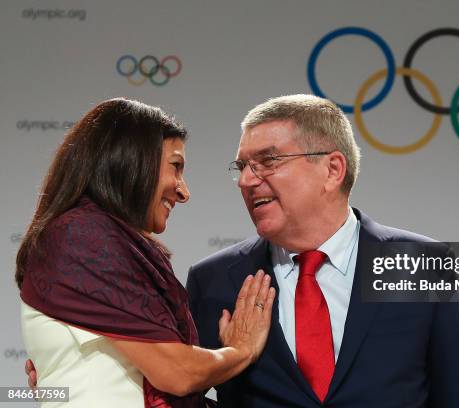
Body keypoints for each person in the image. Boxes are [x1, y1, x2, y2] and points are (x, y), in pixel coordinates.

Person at [186, 94, 459, 407]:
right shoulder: (214, 280)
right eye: (242, 166)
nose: (246, 180)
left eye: (268, 162)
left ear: (332, 169)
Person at [17, 98, 275, 407]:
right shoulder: (82, 236)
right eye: (175, 167)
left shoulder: (97, 238)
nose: (184, 191)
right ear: (130, 161)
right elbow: (177, 373)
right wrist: (241, 349)